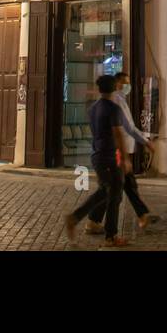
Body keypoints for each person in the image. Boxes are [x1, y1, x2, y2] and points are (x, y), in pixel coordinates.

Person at [86, 71, 157, 233]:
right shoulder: (116, 102)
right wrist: (144, 142)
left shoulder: (108, 103)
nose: (127, 86)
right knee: (117, 188)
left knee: (120, 186)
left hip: (113, 151)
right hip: (117, 152)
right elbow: (128, 128)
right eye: (125, 82)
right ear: (116, 84)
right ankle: (94, 222)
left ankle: (95, 220)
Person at [66, 74, 132, 247]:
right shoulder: (112, 109)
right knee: (113, 193)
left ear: (99, 89)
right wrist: (125, 158)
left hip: (97, 155)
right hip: (110, 157)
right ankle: (110, 236)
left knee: (107, 191)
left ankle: (87, 221)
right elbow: (118, 134)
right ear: (115, 88)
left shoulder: (93, 108)